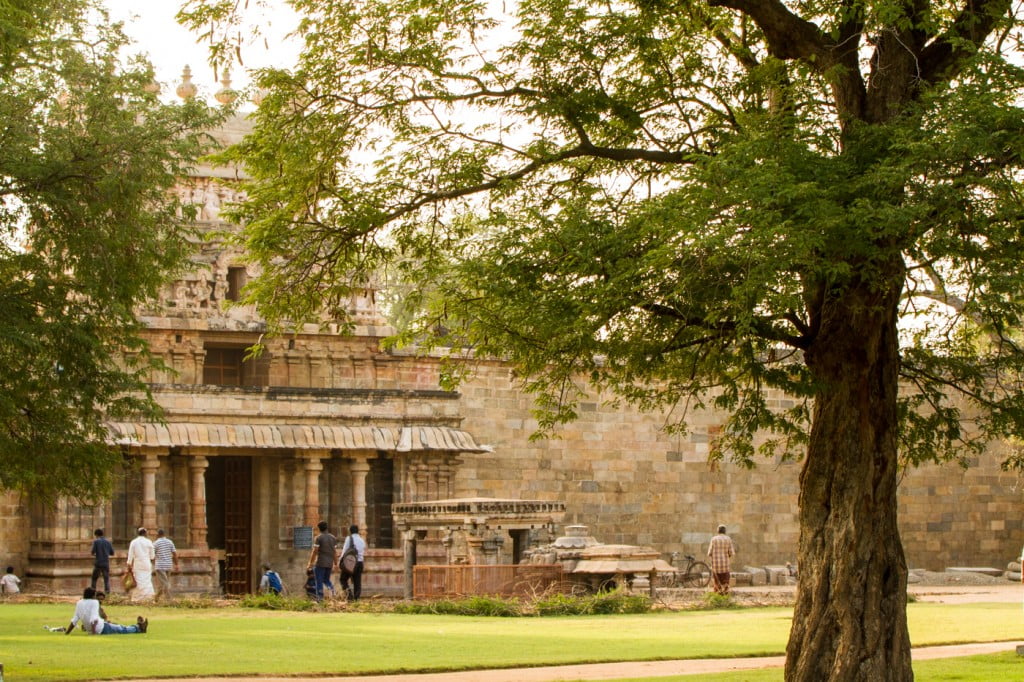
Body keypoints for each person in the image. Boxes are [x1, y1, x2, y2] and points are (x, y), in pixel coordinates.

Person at [66, 587, 147, 635]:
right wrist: (94, 634)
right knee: (122, 629)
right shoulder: (94, 602)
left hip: (92, 629)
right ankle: (138, 627)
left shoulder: (79, 602)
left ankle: (138, 626)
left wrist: (67, 633)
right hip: (101, 628)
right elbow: (93, 619)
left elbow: (74, 620)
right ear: (92, 595)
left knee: (118, 627)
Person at [306, 521, 338, 601]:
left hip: (320, 563)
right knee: (326, 580)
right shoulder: (333, 538)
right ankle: (333, 592)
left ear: (319, 529)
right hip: (329, 563)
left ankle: (320, 598)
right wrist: (336, 563)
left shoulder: (319, 538)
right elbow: (334, 552)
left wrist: (310, 563)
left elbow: (315, 551)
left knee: (319, 581)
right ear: (327, 528)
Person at [126, 527, 156, 601]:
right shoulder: (149, 542)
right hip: (146, 563)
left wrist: (129, 564)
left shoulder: (134, 542)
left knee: (138, 580)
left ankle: (138, 597)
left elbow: (130, 554)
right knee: (147, 580)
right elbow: (152, 556)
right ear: (145, 534)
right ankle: (148, 597)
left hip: (138, 564)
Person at [339, 524, 367, 601]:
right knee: (357, 582)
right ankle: (356, 598)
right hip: (360, 562)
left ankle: (349, 596)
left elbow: (345, 550)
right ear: (358, 531)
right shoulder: (362, 540)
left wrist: (340, 561)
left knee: (343, 579)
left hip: (350, 562)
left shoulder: (349, 538)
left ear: (350, 531)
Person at [707, 525, 736, 595]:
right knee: (725, 583)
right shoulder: (728, 539)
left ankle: (717, 597)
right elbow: (731, 553)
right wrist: (727, 556)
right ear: (725, 531)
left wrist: (715, 556)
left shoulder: (713, 539)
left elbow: (709, 553)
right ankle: (725, 597)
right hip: (725, 565)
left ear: (718, 531)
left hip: (716, 566)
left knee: (717, 584)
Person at [152, 528, 178, 602]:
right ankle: (157, 599)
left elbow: (152, 555)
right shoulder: (170, 542)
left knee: (164, 583)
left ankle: (168, 600)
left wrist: (155, 562)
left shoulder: (156, 543)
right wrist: (176, 564)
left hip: (160, 566)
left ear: (158, 535)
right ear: (164, 534)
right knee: (164, 583)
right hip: (168, 565)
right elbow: (175, 554)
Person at [90, 528, 115, 593]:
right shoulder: (108, 542)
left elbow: (92, 552)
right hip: (105, 563)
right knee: (106, 580)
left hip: (98, 563)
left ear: (96, 535)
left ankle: (92, 592)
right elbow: (112, 553)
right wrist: (106, 552)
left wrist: (96, 554)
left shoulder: (96, 542)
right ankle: (107, 593)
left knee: (94, 579)